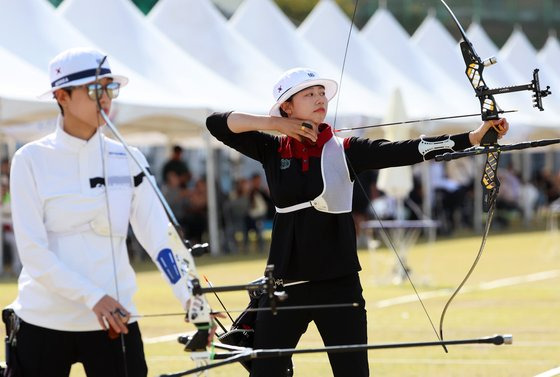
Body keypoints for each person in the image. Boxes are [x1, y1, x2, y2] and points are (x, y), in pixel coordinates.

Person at [206, 67, 509, 377]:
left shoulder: (345, 150)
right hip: (284, 285)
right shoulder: (272, 149)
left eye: (322, 93)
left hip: (338, 285)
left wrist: (471, 138)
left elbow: (406, 151)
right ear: (288, 106)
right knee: (265, 372)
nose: (320, 98)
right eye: (309, 94)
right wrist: (275, 125)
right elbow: (216, 123)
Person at [4, 47, 198, 377]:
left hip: (116, 321)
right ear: (61, 95)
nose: (106, 98)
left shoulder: (129, 157)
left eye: (110, 88)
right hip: (43, 320)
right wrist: (94, 297)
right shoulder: (30, 160)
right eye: (95, 89)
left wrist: (193, 297)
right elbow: (34, 253)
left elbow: (160, 236)